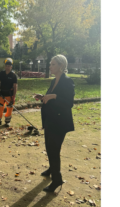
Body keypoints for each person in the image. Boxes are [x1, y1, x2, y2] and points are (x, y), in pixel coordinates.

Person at [34, 54, 75, 192]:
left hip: (60, 122)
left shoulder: (67, 81)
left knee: (53, 149)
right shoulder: (53, 81)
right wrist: (43, 97)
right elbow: (50, 98)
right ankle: (52, 169)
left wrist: (54, 96)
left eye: (53, 64)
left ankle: (57, 180)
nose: (50, 66)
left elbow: (69, 103)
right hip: (50, 120)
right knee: (49, 147)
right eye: (50, 64)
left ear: (61, 66)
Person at [0, 58, 18, 127]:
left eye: (9, 66)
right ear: (5, 66)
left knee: (9, 109)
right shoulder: (1, 73)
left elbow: (15, 86)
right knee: (0, 108)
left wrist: (14, 96)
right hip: (2, 94)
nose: (7, 67)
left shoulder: (13, 75)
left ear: (11, 67)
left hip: (9, 95)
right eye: (6, 66)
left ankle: (7, 121)